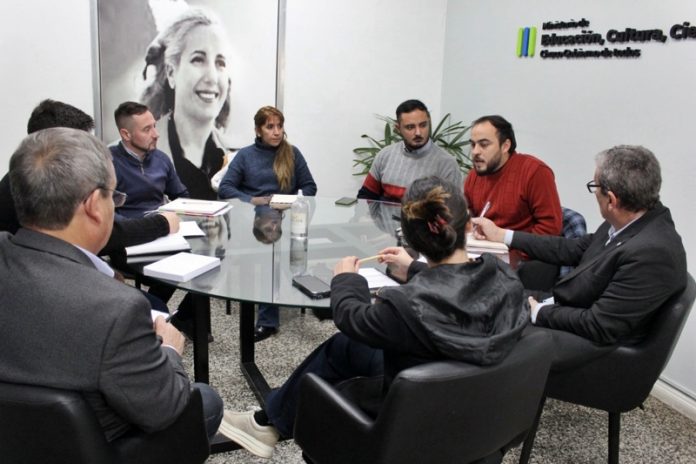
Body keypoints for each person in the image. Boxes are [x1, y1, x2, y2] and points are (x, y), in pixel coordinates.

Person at [218, 176, 528, 458]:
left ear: (411, 239)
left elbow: (351, 317)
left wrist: (345, 279)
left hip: (411, 420)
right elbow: (455, 288)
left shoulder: (405, 307)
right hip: (480, 412)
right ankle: (268, 423)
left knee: (342, 353)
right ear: (468, 227)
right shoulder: (505, 279)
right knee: (346, 346)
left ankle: (271, 424)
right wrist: (415, 269)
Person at [0, 127, 223, 441]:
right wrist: (170, 350)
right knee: (207, 400)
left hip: (15, 436)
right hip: (91, 443)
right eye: (114, 196)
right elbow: (165, 407)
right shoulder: (118, 308)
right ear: (94, 205)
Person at [471, 145, 687, 368]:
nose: (594, 193)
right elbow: (570, 248)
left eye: (595, 186)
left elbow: (600, 325)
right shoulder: (632, 218)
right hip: (569, 307)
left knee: (482, 330)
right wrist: (503, 235)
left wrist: (538, 312)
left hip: (588, 343)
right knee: (484, 296)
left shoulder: (651, 253)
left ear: (611, 200)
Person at [0, 99, 179, 264]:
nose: (86, 152)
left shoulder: (21, 177)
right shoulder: (45, 185)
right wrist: (161, 224)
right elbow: (100, 233)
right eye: (81, 145)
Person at [218, 105, 317, 342]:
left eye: (279, 126)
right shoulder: (245, 155)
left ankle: (301, 294)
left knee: (281, 249)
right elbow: (225, 188)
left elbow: (310, 187)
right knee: (268, 252)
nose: (276, 132)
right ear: (258, 130)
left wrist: (292, 202)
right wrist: (252, 200)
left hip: (287, 217)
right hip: (254, 220)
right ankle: (267, 320)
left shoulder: (292, 153)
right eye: (270, 127)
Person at [141, 7, 232, 200]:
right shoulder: (127, 157)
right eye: (198, 59)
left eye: (220, 63)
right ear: (171, 73)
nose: (212, 77)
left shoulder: (241, 160)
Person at [465, 115, 563, 288]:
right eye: (473, 145)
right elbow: (467, 218)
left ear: (505, 146)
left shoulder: (534, 172)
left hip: (520, 262)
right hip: (483, 257)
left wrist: (512, 254)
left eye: (484, 144)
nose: (475, 152)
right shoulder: (474, 175)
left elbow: (551, 229)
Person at [357, 99, 463, 203]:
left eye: (423, 125)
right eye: (410, 127)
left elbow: (453, 208)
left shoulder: (447, 163)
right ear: (398, 129)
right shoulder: (385, 155)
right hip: (385, 215)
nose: (418, 133)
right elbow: (366, 195)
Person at [110, 101, 189, 218]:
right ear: (126, 135)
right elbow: (104, 213)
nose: (156, 134)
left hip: (162, 224)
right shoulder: (108, 163)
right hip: (129, 227)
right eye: (147, 129)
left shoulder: (162, 159)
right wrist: (139, 226)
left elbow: (181, 197)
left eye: (154, 126)